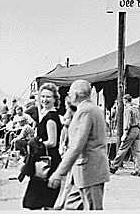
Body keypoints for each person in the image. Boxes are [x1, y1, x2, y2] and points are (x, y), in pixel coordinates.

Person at [48, 79, 110, 210]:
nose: (69, 97)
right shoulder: (93, 109)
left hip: (89, 169)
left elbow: (76, 146)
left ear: (75, 95)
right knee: (74, 205)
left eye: (69, 94)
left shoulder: (85, 111)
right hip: (89, 169)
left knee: (92, 208)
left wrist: (59, 172)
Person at [21, 82, 62, 210]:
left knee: (39, 201)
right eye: (42, 96)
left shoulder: (50, 118)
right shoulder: (45, 113)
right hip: (44, 161)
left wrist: (36, 144)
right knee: (39, 201)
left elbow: (52, 142)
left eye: (48, 97)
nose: (44, 99)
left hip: (48, 162)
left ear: (55, 99)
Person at [52, 96, 83, 210]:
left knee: (68, 179)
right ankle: (63, 202)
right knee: (69, 180)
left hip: (69, 145)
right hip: (67, 142)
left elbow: (67, 126)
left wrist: (63, 145)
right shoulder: (75, 113)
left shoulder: (73, 114)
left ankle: (61, 203)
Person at [109, 93, 140, 176]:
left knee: (123, 148)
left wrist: (124, 134)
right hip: (137, 129)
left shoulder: (128, 109)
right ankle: (138, 169)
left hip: (130, 130)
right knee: (137, 151)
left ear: (125, 101)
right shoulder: (136, 108)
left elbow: (127, 123)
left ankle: (114, 166)